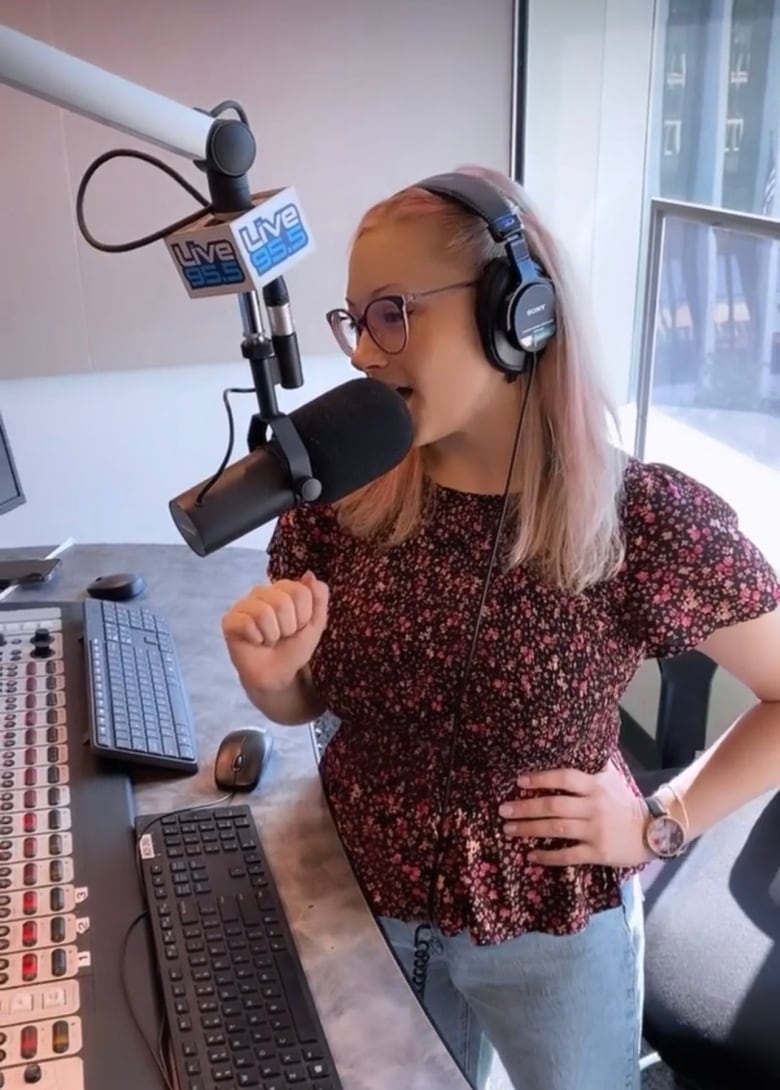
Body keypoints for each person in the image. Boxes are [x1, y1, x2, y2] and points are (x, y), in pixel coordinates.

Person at [220, 164, 780, 1090]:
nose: (363, 353)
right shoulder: (344, 497)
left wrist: (661, 825)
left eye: (394, 313)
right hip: (358, 894)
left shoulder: (641, 522)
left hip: (550, 933)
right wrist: (270, 679)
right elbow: (307, 701)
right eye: (355, 319)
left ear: (518, 318)